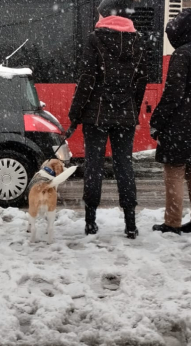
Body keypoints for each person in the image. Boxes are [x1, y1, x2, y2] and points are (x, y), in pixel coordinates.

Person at [65, 0, 148, 239]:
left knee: (94, 166)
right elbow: (141, 81)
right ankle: (130, 224)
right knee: (124, 166)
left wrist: (75, 114)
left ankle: (90, 222)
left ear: (106, 14)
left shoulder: (95, 38)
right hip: (125, 115)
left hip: (96, 114)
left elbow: (87, 79)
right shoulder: (138, 40)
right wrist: (133, 106)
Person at [150, 9, 191, 235]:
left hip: (181, 126)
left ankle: (172, 222)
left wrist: (157, 120)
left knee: (174, 173)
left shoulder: (183, 54)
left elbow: (173, 93)